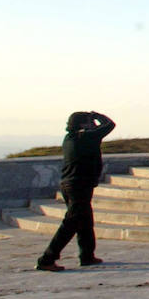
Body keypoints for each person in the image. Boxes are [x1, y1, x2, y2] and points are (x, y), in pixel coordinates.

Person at [37, 110, 116, 271]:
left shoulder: (70, 138)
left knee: (85, 221)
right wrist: (98, 116)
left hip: (70, 184)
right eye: (90, 122)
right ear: (83, 124)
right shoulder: (86, 137)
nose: (93, 125)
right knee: (71, 222)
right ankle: (47, 258)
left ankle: (87, 256)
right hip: (79, 185)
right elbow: (110, 125)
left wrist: (92, 119)